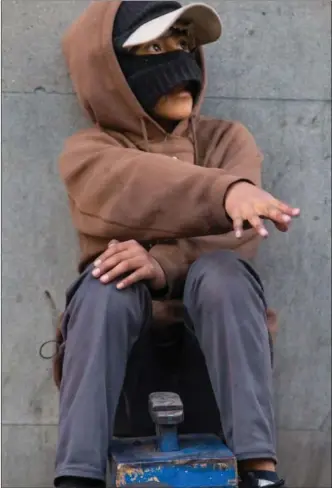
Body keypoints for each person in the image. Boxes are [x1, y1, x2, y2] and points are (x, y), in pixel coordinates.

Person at [53, 1, 300, 487]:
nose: (179, 67)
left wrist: (162, 262)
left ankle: (261, 473)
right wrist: (225, 191)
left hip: (216, 352)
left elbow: (237, 235)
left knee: (223, 272)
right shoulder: (90, 151)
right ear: (112, 71)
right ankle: (76, 479)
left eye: (184, 46)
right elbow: (132, 183)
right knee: (108, 283)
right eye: (155, 50)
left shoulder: (227, 141)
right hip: (119, 359)